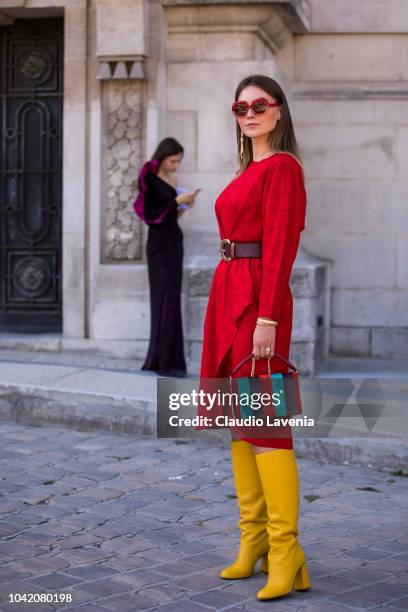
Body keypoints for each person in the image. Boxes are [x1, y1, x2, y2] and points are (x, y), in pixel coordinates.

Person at [198, 75, 311, 600]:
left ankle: (287, 552)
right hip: (228, 295)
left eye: (259, 104)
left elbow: (282, 243)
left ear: (279, 111)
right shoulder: (249, 168)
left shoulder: (283, 167)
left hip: (258, 303)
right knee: (240, 424)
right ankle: (255, 542)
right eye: (240, 106)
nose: (248, 113)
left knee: (265, 423)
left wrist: (268, 317)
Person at [135, 137, 199, 377]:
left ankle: (171, 362)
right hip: (158, 245)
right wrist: (175, 201)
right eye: (173, 161)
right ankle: (162, 361)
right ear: (162, 157)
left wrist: (183, 206)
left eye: (179, 162)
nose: (176, 166)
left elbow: (171, 217)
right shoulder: (149, 179)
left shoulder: (172, 180)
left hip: (174, 241)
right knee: (162, 299)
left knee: (172, 299)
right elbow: (150, 215)